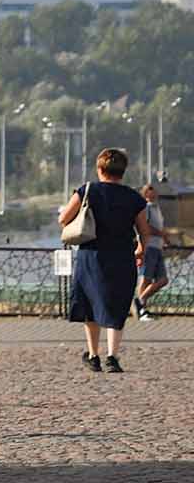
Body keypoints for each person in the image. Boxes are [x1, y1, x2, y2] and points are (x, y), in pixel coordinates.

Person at [58, 149, 152, 372]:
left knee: (90, 304)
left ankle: (93, 355)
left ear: (100, 169)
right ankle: (113, 356)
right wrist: (141, 249)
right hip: (122, 257)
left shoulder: (88, 190)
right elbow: (144, 231)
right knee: (117, 304)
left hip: (91, 255)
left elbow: (63, 219)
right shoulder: (133, 197)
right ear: (123, 171)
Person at [134, 183, 168, 322]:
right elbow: (144, 226)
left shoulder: (157, 208)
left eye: (154, 191)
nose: (153, 194)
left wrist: (164, 239)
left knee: (163, 280)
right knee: (145, 278)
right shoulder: (146, 208)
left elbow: (159, 227)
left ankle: (140, 301)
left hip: (158, 247)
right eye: (150, 191)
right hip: (149, 247)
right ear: (145, 194)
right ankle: (142, 310)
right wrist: (160, 233)